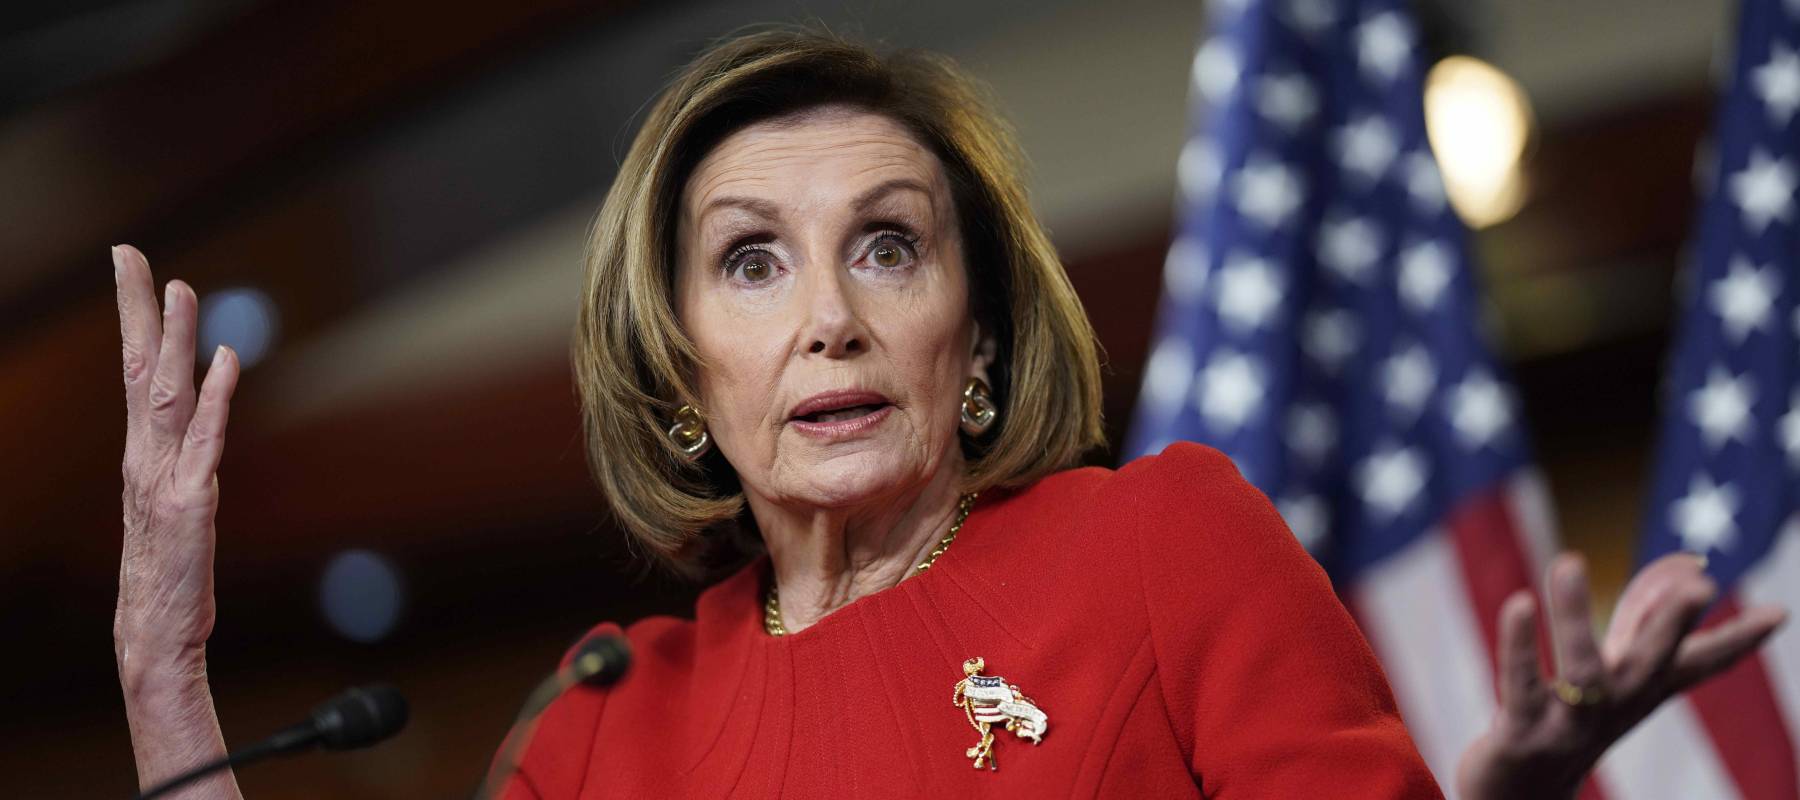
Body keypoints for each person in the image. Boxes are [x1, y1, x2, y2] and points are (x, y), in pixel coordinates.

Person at [111, 26, 1788, 799]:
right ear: (683, 363)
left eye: (889, 248)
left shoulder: (1157, 542)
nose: (829, 315)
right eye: (752, 263)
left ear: (971, 334)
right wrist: (168, 693)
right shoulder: (601, 729)